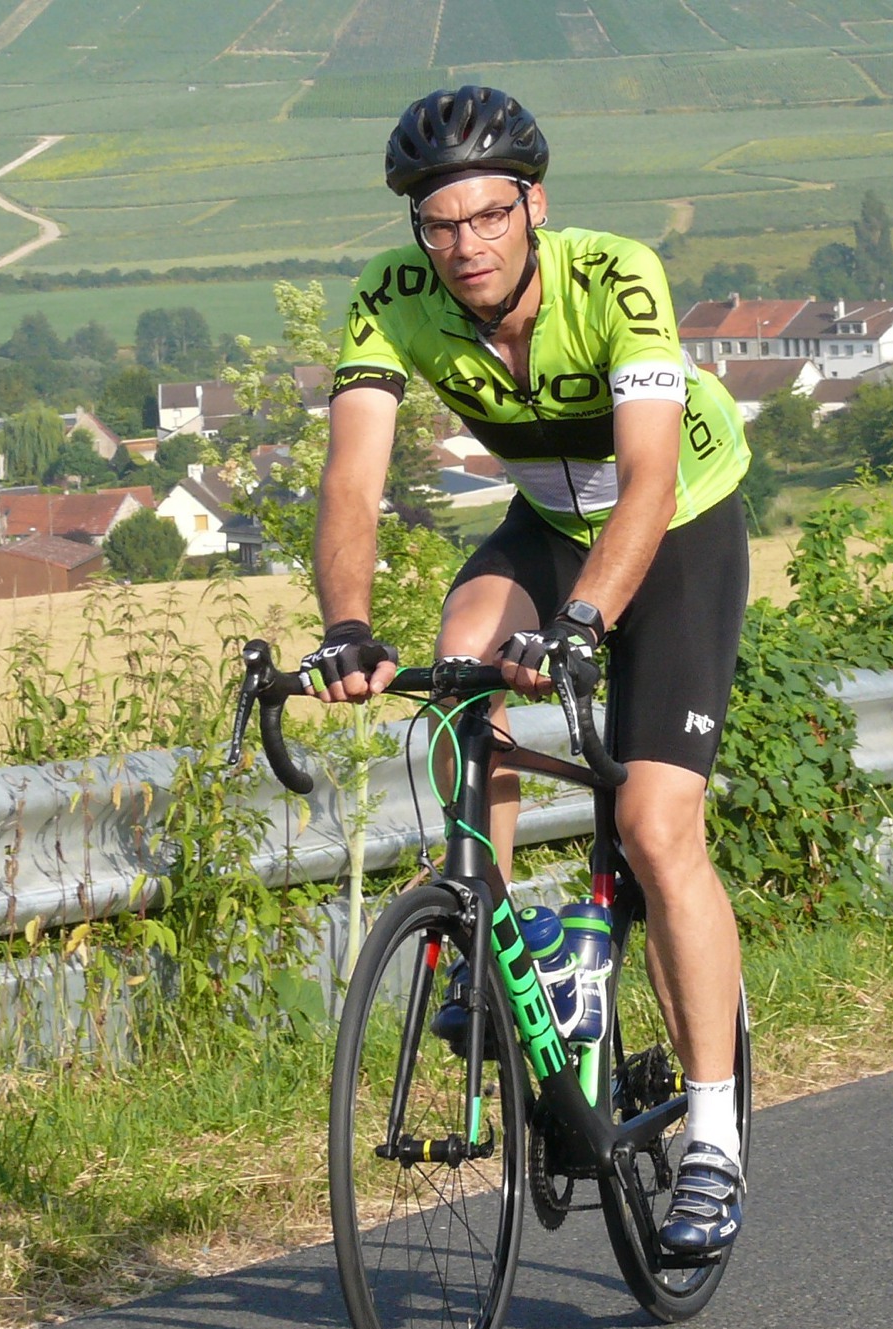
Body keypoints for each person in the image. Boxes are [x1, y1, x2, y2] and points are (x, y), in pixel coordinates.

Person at [303, 86, 752, 1254]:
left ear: (533, 206)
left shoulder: (616, 276)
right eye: (440, 223)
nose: (465, 245)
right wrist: (346, 624)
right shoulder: (390, 297)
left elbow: (646, 479)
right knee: (460, 670)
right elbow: (351, 480)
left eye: (489, 215)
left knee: (652, 823)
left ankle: (713, 1136)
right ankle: (486, 945)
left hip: (677, 523)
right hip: (548, 521)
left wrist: (586, 621)